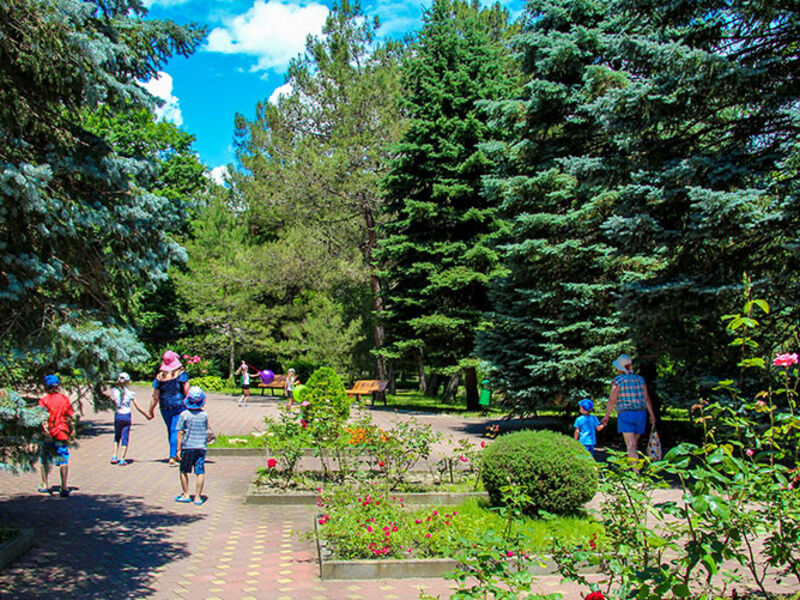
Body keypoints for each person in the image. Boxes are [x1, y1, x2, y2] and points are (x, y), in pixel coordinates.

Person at [601, 354, 657, 462]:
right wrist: (652, 415)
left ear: (620, 368)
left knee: (630, 446)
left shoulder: (618, 381)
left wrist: (607, 415)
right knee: (634, 445)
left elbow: (613, 399)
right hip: (641, 414)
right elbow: (646, 398)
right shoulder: (640, 379)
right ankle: (629, 467)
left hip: (625, 414)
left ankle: (636, 471)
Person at [148, 350, 190, 466]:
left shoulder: (159, 377)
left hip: (164, 407)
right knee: (175, 430)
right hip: (179, 406)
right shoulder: (181, 374)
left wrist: (151, 410)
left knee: (171, 430)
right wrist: (191, 405)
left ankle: (175, 453)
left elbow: (155, 396)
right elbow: (187, 391)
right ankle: (173, 456)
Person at [174, 386, 213, 505]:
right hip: (201, 447)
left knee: (183, 470)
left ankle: (186, 494)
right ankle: (198, 497)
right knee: (200, 471)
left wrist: (178, 449)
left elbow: (180, 433)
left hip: (187, 446)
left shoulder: (184, 415)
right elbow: (207, 429)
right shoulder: (204, 415)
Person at [38, 374, 74, 497]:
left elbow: (41, 418)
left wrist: (43, 430)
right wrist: (71, 430)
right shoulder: (64, 399)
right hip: (61, 432)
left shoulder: (44, 401)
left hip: (48, 433)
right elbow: (70, 416)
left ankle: (44, 484)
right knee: (63, 458)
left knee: (45, 458)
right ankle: (64, 486)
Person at [110, 372, 149, 466]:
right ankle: (122, 459)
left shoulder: (114, 391)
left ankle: (114, 456)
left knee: (117, 436)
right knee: (125, 437)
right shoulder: (130, 393)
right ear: (128, 382)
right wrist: (146, 415)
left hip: (118, 415)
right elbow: (137, 406)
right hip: (126, 415)